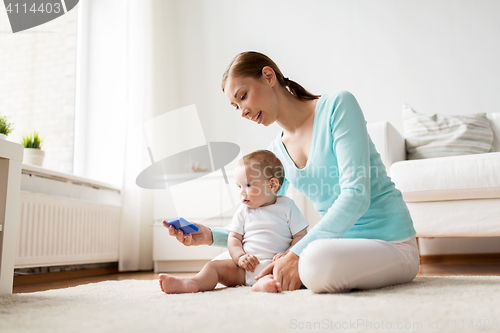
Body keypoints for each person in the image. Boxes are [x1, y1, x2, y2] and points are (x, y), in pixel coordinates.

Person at [166, 51, 420, 293]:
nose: (242, 111)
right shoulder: (276, 152)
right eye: (235, 106)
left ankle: (300, 266)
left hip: (391, 244)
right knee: (232, 261)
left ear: (268, 76)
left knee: (312, 262)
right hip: (336, 247)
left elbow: (356, 195)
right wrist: (209, 236)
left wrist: (295, 253)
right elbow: (265, 213)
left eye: (243, 96)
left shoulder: (337, 106)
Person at [159, 150, 309, 293]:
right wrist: (240, 257)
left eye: (248, 185)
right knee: (213, 268)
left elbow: (301, 236)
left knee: (285, 276)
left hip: (276, 265)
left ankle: (265, 284)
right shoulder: (244, 211)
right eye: (239, 186)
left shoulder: (287, 206)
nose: (241, 192)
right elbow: (234, 238)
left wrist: (288, 254)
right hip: (244, 268)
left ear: (272, 185)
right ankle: (193, 283)